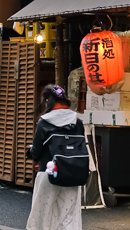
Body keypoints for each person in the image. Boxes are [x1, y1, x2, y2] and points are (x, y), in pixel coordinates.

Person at [25, 84, 83, 230]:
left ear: (47, 101)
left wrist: (30, 152)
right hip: (73, 174)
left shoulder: (45, 121)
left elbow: (36, 150)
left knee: (42, 218)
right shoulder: (77, 121)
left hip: (49, 173)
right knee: (68, 218)